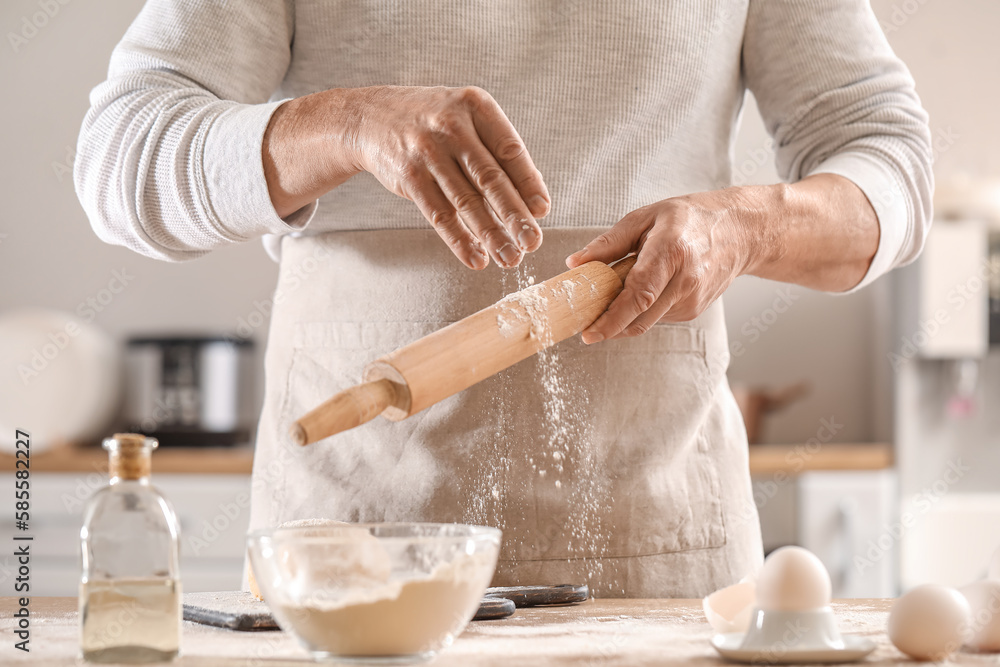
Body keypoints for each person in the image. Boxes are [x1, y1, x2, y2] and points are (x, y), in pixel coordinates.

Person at [75, 0, 931, 598]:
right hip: (350, 548)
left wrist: (746, 224)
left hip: (655, 545)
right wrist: (342, 125)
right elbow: (117, 158)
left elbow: (889, 163)